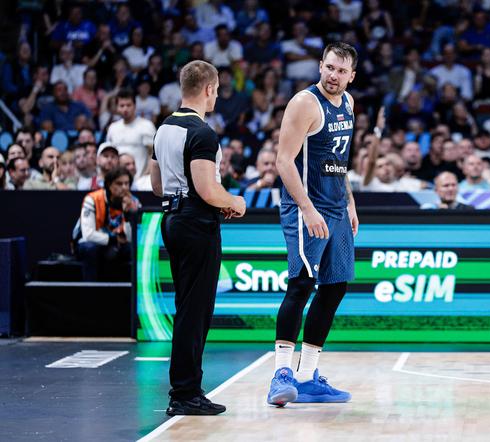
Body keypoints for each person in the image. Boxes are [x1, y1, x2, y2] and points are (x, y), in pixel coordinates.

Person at [149, 60, 246, 416]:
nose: (217, 96)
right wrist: (234, 202)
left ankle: (186, 389)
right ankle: (185, 393)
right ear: (208, 89)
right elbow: (207, 189)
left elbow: (156, 185)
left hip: (172, 219)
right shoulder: (202, 133)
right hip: (196, 223)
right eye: (217, 90)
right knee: (195, 310)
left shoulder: (162, 129)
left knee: (187, 307)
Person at [267, 42, 359, 407]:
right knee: (301, 284)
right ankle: (281, 375)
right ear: (320, 66)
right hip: (305, 206)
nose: (333, 76)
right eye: (329, 67)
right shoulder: (304, 103)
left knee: (335, 287)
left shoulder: (349, 104)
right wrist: (306, 207)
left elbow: (340, 160)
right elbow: (283, 161)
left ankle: (307, 377)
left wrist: (351, 203)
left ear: (352, 76)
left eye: (341, 71)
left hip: (336, 207)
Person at [74, 167, 139, 281]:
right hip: (90, 243)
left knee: (133, 249)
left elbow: (132, 239)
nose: (124, 188)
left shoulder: (134, 202)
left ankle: (131, 294)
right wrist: (114, 240)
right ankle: (91, 290)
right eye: (119, 184)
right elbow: (88, 234)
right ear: (109, 185)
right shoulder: (92, 199)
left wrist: (128, 215)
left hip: (116, 244)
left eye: (127, 183)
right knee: (91, 248)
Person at [105, 88, 156, 179]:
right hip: (118, 180)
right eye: (122, 105)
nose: (125, 109)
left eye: (129, 105)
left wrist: (145, 176)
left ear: (135, 106)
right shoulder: (112, 128)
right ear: (117, 107)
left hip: (140, 179)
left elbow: (153, 154)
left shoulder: (146, 126)